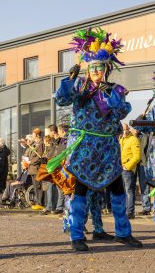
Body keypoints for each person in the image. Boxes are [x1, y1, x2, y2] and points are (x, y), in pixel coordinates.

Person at [50, 27, 142, 251]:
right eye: (92, 67)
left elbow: (122, 112)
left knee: (118, 188)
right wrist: (68, 80)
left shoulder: (115, 90)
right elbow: (60, 100)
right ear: (87, 68)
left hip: (108, 147)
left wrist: (110, 97)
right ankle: (77, 236)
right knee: (81, 189)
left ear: (107, 68)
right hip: (85, 147)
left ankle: (123, 232)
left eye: (100, 67)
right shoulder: (79, 87)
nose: (95, 71)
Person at [130, 127, 151, 215]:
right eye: (134, 128)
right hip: (132, 164)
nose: (135, 130)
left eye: (137, 128)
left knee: (144, 186)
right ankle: (130, 209)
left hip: (142, 164)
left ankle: (146, 207)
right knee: (130, 187)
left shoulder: (144, 136)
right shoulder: (130, 138)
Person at [27, 128, 44, 210]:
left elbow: (39, 156)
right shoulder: (34, 143)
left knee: (38, 186)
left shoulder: (41, 144)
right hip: (32, 168)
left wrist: (31, 162)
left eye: (33, 134)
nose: (32, 136)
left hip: (37, 168)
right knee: (35, 186)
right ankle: (38, 202)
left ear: (37, 135)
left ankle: (40, 203)